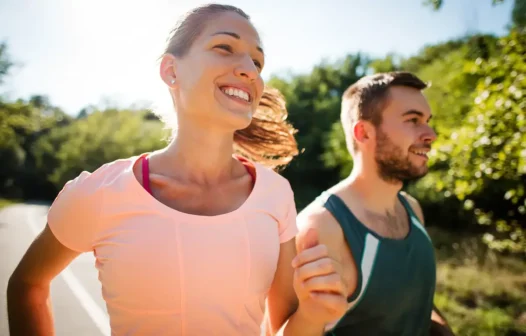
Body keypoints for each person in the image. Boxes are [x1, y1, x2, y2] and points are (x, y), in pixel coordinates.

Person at [7, 4, 347, 336]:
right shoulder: (101, 192)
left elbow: (281, 329)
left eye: (257, 61)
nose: (250, 69)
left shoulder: (275, 194)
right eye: (225, 47)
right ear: (171, 71)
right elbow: (27, 285)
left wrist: (314, 316)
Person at [296, 71, 456, 336]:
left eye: (428, 121)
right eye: (413, 120)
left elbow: (413, 304)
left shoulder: (411, 209)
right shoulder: (321, 227)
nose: (431, 134)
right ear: (364, 133)